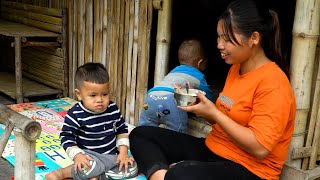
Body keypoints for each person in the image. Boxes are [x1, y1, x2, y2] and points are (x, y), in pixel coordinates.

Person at [129, 0, 296, 179]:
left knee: (180, 173)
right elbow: (226, 120)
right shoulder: (235, 68)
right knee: (141, 134)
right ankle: (163, 176)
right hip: (214, 150)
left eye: (227, 38)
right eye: (219, 37)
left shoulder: (274, 82)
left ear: (254, 38)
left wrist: (215, 114)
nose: (219, 45)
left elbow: (260, 148)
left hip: (250, 169)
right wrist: (203, 109)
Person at [45, 63, 138, 180]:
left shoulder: (113, 109)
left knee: (132, 167)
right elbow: (66, 138)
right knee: (88, 165)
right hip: (88, 157)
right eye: (93, 95)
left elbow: (122, 131)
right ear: (79, 94)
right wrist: (78, 155)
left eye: (104, 94)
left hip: (111, 156)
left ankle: (97, 174)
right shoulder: (75, 114)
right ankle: (63, 173)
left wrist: (123, 153)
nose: (99, 100)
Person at [138, 38, 214, 133]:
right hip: (172, 100)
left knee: (144, 131)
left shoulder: (173, 72)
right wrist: (214, 107)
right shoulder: (199, 77)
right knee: (177, 134)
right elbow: (206, 96)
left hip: (150, 97)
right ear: (200, 63)